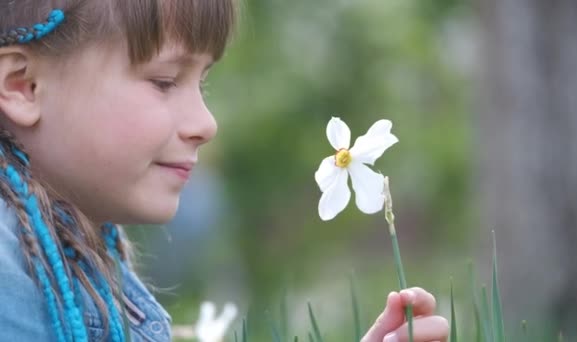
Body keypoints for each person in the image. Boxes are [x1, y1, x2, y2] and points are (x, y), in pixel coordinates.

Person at [0, 1, 449, 341]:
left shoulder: (68, 253)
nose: (206, 123)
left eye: (203, 82)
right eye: (164, 81)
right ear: (23, 87)